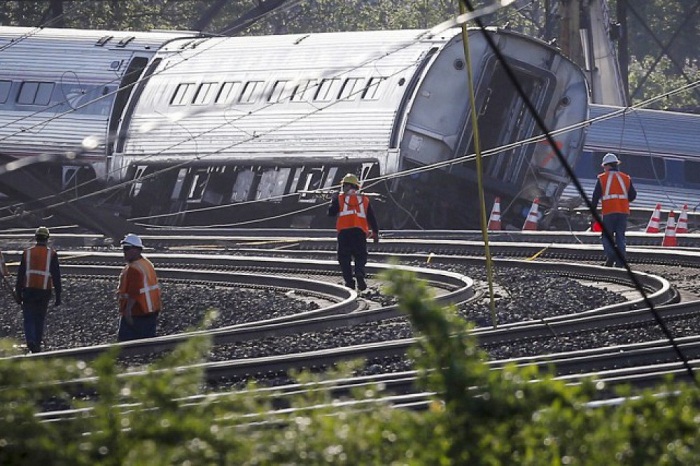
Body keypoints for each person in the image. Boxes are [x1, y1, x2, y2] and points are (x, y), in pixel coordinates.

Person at [328, 173, 379, 291]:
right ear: (357, 187)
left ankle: (349, 282)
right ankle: (359, 273)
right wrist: (375, 233)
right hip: (360, 233)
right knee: (361, 256)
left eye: (343, 185)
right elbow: (371, 217)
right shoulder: (364, 199)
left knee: (344, 258)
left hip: (344, 234)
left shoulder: (339, 198)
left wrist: (333, 199)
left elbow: (330, 213)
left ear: (346, 186)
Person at [15, 226, 62, 353]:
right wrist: (58, 295)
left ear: (36, 238)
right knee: (39, 318)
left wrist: (17, 292)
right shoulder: (51, 254)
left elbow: (20, 274)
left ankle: (31, 340)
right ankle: (37, 343)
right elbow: (56, 276)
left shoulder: (27, 253)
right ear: (47, 238)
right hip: (44, 290)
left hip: (29, 289)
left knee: (29, 317)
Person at [591, 153, 637, 267]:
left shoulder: (602, 178)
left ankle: (611, 256)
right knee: (620, 236)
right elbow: (632, 195)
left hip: (609, 211)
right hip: (623, 211)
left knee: (607, 236)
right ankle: (620, 261)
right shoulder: (626, 178)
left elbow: (595, 197)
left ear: (607, 166)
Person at [116, 233, 162, 341]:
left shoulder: (134, 268)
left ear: (137, 250)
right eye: (124, 249)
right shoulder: (146, 263)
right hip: (150, 310)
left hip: (137, 312)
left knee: (125, 347)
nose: (124, 252)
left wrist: (127, 311)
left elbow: (134, 291)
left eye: (127, 249)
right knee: (146, 345)